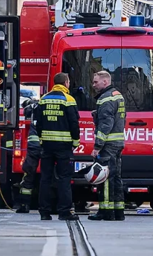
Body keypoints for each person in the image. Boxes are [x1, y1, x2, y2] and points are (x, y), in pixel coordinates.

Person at [34, 72, 80, 221]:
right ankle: (64, 211)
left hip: (47, 145)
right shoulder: (68, 100)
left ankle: (44, 212)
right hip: (64, 146)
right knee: (64, 178)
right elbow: (74, 123)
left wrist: (42, 139)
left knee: (45, 178)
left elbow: (38, 123)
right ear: (66, 83)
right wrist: (75, 142)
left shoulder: (43, 99)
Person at [88, 70, 126, 221]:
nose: (93, 85)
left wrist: (97, 146)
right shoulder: (118, 95)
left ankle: (106, 212)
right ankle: (119, 212)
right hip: (118, 142)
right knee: (116, 178)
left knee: (105, 178)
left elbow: (106, 124)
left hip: (108, 145)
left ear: (105, 81)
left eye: (96, 82)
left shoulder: (105, 99)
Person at [15, 100, 41, 214]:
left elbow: (26, 112)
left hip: (33, 147)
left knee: (28, 176)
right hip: (48, 146)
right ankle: (47, 207)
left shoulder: (31, 108)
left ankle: (24, 205)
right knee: (47, 177)